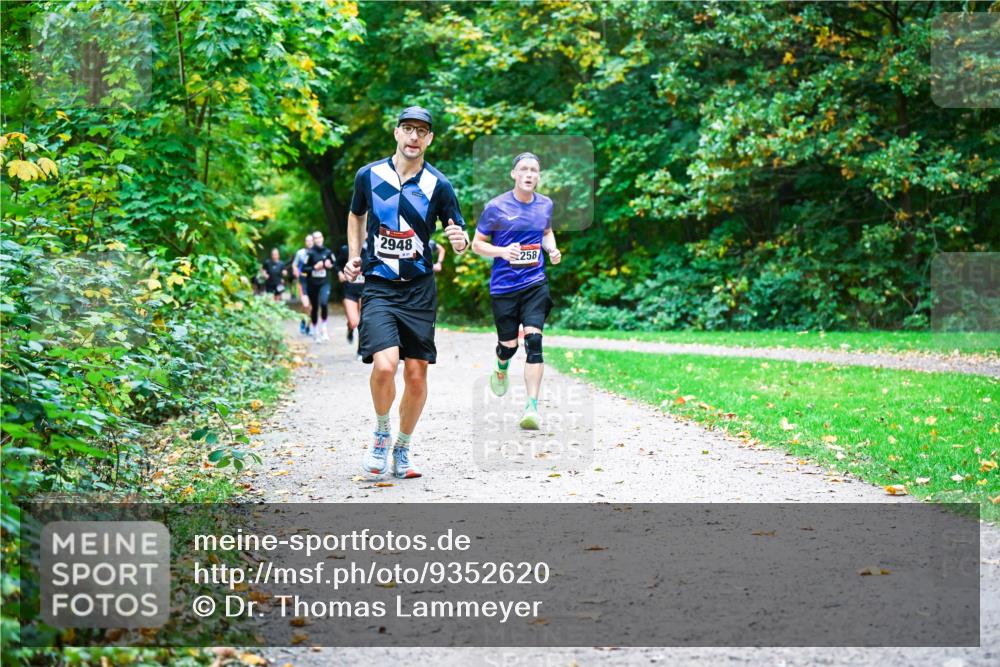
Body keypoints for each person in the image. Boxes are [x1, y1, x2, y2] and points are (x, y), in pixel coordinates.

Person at [342, 105, 469, 479]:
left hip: (419, 289)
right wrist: (353, 256)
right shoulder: (369, 175)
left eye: (422, 131)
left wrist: (459, 241)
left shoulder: (439, 185)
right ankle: (382, 433)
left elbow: (460, 234)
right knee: (384, 366)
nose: (414, 136)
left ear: (429, 139)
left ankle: (403, 448)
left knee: (415, 375)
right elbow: (356, 214)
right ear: (396, 132)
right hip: (379, 285)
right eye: (408, 128)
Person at [471, 151, 561, 429]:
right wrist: (502, 251)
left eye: (534, 170)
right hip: (504, 287)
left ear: (539, 176)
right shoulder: (496, 207)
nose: (529, 174)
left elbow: (546, 233)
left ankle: (531, 408)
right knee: (509, 347)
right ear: (514, 174)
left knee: (534, 342)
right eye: (523, 169)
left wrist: (552, 249)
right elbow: (477, 244)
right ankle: (502, 365)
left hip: (535, 283)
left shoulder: (545, 205)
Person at [300, 230, 335, 342]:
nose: (318, 240)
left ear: (322, 238)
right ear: (313, 240)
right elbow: (303, 270)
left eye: (320, 237)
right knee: (314, 308)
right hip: (312, 284)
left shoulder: (328, 252)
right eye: (316, 238)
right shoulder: (310, 253)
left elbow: (335, 265)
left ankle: (324, 330)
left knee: (324, 303)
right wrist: (314, 267)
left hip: (324, 283)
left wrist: (330, 266)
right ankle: (315, 331)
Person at [337, 242, 365, 353]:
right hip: (349, 291)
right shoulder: (346, 249)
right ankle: (350, 329)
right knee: (354, 323)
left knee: (363, 322)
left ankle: (360, 349)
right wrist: (340, 274)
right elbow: (336, 265)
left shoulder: (373, 248)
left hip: (365, 291)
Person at [292, 234, 314, 335]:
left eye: (311, 240)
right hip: (302, 280)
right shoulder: (300, 253)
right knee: (305, 304)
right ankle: (303, 321)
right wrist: (296, 272)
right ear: (305, 242)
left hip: (313, 282)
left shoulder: (316, 252)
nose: (309, 242)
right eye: (307, 241)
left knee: (311, 306)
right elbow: (294, 265)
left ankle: (308, 326)